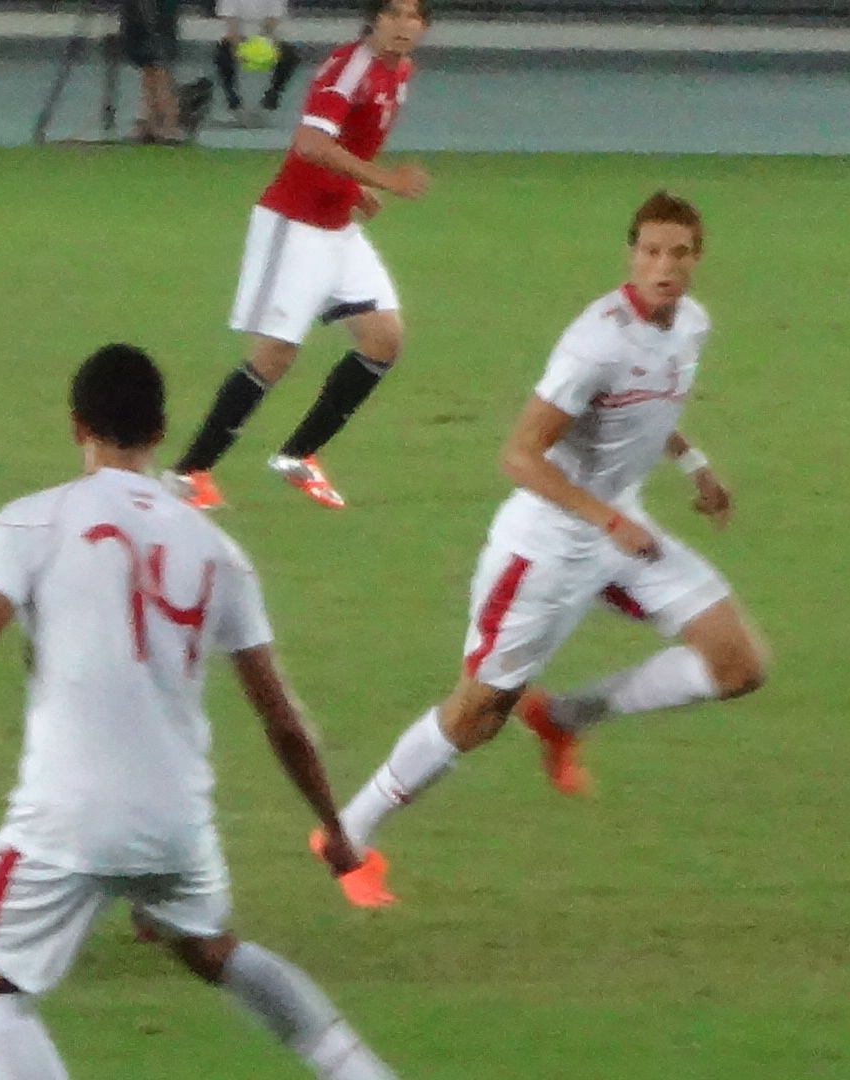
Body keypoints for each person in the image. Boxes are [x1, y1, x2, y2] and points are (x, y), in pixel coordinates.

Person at [0, 343, 399, 1080]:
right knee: (210, 950)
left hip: (67, 817)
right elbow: (284, 721)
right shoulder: (215, 548)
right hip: (176, 820)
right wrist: (335, 830)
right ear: (162, 430)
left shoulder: (29, 523)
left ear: (77, 426)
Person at [313, 191, 768, 909]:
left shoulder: (692, 327)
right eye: (650, 251)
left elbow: (655, 408)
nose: (664, 266)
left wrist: (696, 467)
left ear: (696, 259)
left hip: (619, 526)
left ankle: (564, 717)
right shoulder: (596, 341)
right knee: (476, 715)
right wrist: (604, 519)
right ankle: (347, 835)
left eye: (678, 253)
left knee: (738, 665)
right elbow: (520, 455)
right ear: (632, 255)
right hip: (547, 548)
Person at [167, 0, 430, 511]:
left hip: (336, 227)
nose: (404, 26)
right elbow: (309, 142)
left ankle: (298, 455)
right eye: (394, 14)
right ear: (373, 19)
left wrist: (354, 186)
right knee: (275, 356)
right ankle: (188, 473)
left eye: (414, 17)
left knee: (384, 338)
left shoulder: (399, 72)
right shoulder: (350, 67)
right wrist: (384, 180)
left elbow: (343, 145)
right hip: (294, 224)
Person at [213, 0, 304, 128]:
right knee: (222, 56)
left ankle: (273, 94)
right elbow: (230, 25)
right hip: (239, 34)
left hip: (266, 35)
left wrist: (261, 44)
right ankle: (232, 100)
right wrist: (241, 48)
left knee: (290, 56)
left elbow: (273, 20)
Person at [118, 0, 186, 144]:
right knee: (151, 72)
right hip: (143, 21)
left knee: (157, 71)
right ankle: (154, 123)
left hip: (152, 23)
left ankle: (167, 125)